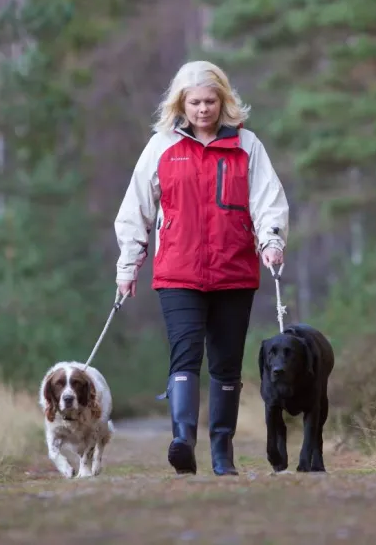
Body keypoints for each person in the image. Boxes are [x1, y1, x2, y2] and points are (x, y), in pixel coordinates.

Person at [113, 60, 289, 476]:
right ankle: (183, 440)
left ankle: (222, 452)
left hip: (234, 270)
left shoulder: (247, 145)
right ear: (181, 103)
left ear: (223, 101)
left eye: (210, 101)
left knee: (226, 363)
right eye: (194, 102)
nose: (203, 109)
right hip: (178, 271)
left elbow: (268, 200)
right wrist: (128, 265)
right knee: (186, 354)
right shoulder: (161, 146)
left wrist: (272, 241)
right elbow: (136, 208)